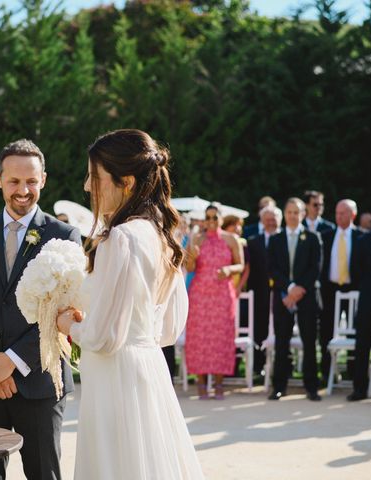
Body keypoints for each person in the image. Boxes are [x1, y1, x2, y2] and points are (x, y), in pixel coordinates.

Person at [56, 129, 203, 479]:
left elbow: (105, 337)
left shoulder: (120, 238)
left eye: (95, 177)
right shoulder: (163, 235)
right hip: (150, 368)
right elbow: (169, 329)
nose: (87, 188)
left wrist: (68, 324)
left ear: (127, 182)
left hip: (115, 376)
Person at [0, 139, 81, 480]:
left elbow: (64, 314)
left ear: (44, 180)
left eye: (31, 181)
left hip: (38, 382)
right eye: (14, 181)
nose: (23, 190)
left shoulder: (64, 236)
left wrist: (12, 360)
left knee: (44, 474)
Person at [185, 204, 244, 399]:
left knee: (220, 337)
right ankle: (201, 383)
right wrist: (191, 256)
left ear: (221, 218)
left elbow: (240, 265)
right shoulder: (196, 239)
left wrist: (228, 270)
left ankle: (219, 384)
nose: (211, 222)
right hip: (200, 294)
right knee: (200, 337)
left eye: (214, 217)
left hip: (222, 295)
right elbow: (190, 267)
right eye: (207, 218)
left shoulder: (231, 239)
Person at [268, 197, 322, 401]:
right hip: (283, 298)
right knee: (282, 343)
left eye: (296, 212)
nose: (292, 216)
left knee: (309, 343)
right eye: (289, 212)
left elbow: (315, 268)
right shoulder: (276, 239)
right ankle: (279, 387)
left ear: (303, 214)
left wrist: (298, 290)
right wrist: (289, 288)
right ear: (285, 214)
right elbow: (272, 268)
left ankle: (312, 388)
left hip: (307, 297)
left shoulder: (313, 237)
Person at [319, 200, 361, 383]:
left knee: (354, 333)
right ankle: (327, 373)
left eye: (343, 213)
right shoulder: (326, 236)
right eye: (336, 213)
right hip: (330, 290)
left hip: (353, 290)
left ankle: (354, 374)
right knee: (326, 332)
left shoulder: (361, 237)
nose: (339, 216)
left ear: (353, 215)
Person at [348, 199, 371, 401]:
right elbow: (355, 271)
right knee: (362, 343)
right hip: (368, 298)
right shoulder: (361, 241)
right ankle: (360, 389)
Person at [247, 205, 282, 374]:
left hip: (281, 292)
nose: (271, 222)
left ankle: (281, 368)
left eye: (274, 219)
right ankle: (258, 366)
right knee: (259, 328)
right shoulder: (253, 241)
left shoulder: (285, 239)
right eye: (267, 219)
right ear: (262, 221)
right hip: (259, 293)